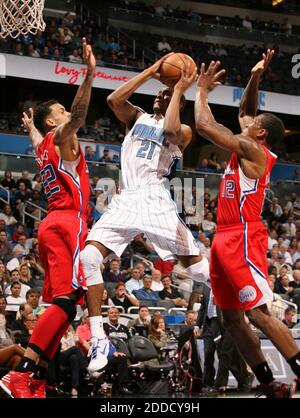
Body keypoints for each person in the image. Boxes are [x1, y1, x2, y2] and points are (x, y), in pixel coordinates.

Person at [79, 53, 210, 370]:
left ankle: (230, 295)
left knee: (196, 269)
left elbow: (171, 130)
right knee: (89, 258)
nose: (159, 94)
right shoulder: (135, 117)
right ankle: (100, 340)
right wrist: (152, 70)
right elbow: (113, 98)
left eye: (164, 92)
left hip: (155, 198)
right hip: (126, 198)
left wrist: (177, 90)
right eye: (160, 91)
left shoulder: (185, 131)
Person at [0, 39, 107, 399]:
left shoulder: (43, 144)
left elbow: (33, 139)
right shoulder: (63, 137)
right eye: (60, 111)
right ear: (54, 121)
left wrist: (30, 125)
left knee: (63, 304)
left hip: (50, 224)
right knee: (68, 301)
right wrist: (90, 74)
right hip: (70, 221)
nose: (67, 114)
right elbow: (77, 116)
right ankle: (23, 371)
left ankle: (37, 379)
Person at [195, 49, 300, 397]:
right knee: (230, 320)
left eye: (253, 125)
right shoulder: (251, 141)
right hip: (223, 238)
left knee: (258, 314)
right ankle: (269, 384)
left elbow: (205, 126)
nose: (247, 123)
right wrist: (255, 76)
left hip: (241, 234)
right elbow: (245, 111)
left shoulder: (252, 151)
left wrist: (202, 91)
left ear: (261, 136)